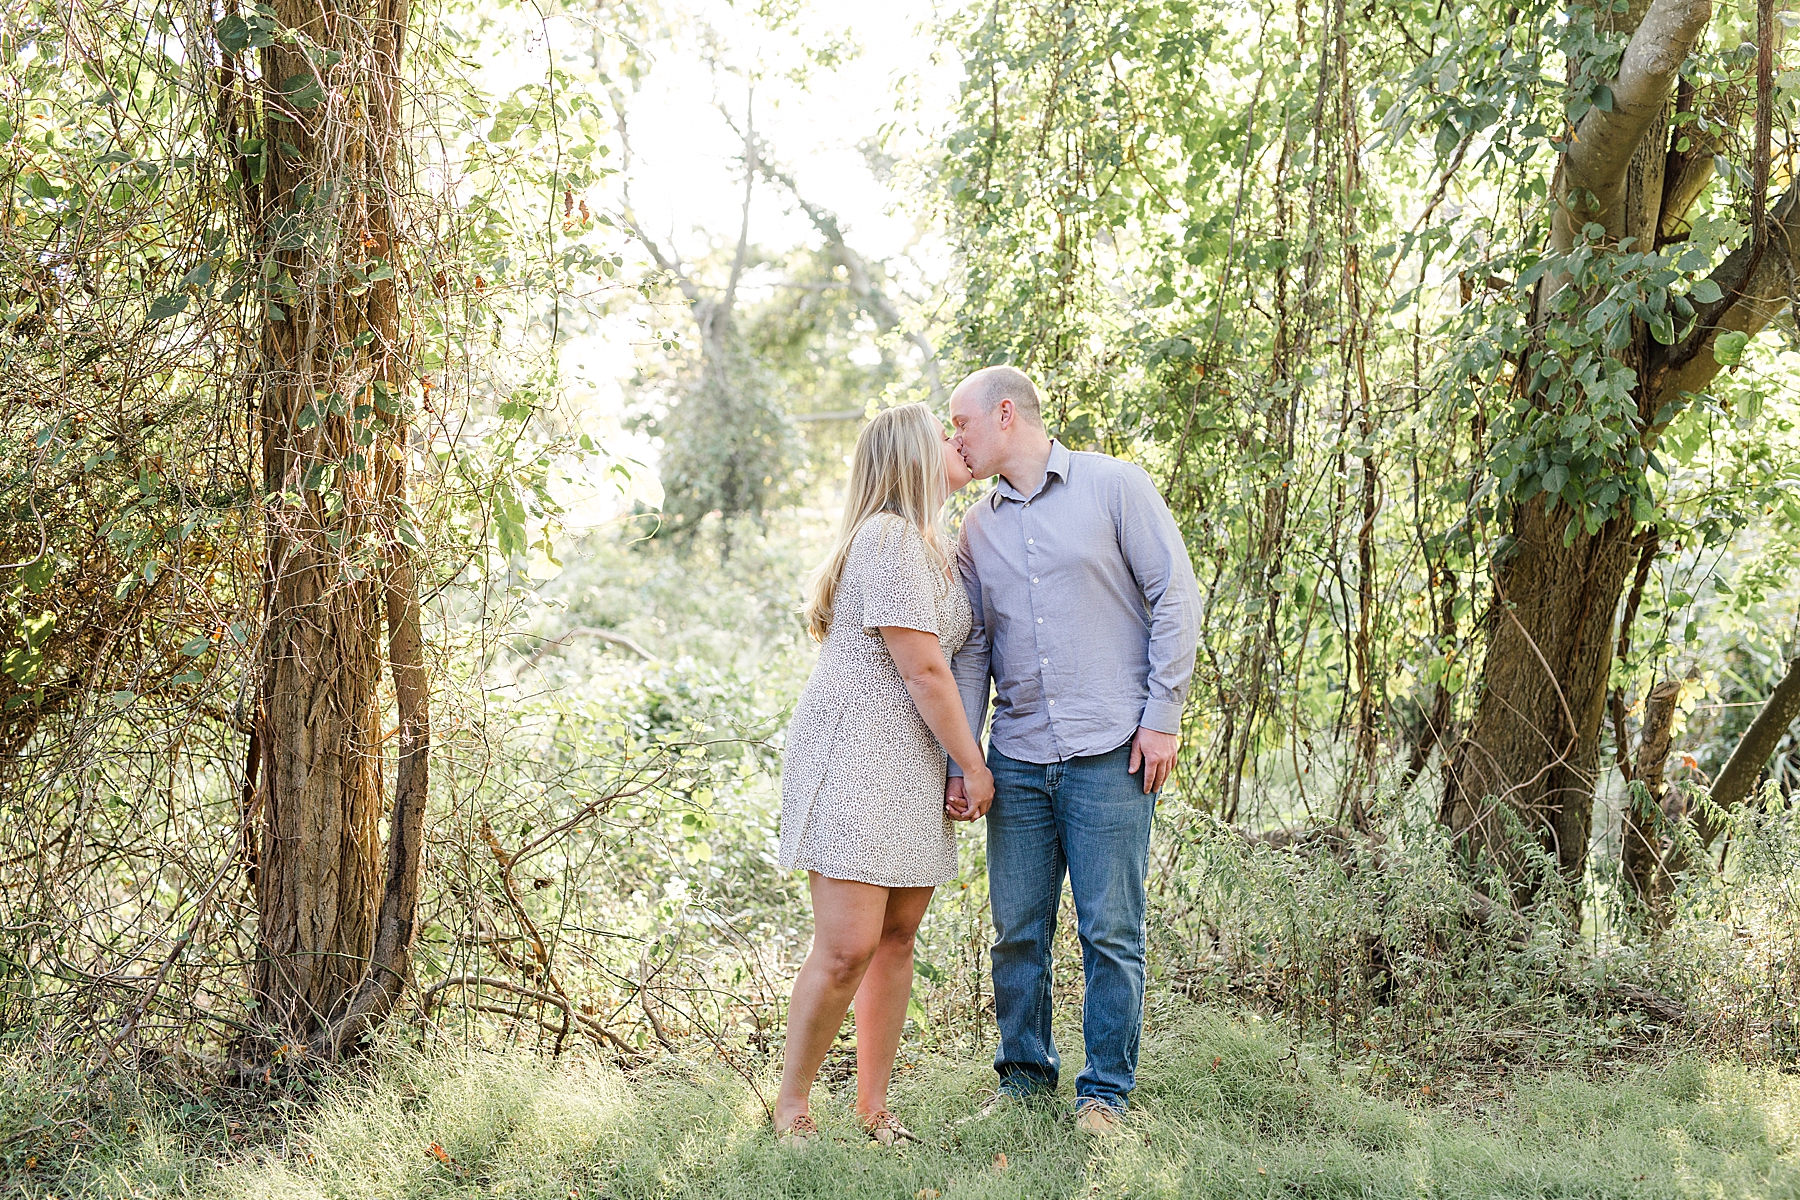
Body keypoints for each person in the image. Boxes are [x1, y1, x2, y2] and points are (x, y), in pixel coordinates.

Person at [946, 366, 1201, 1135]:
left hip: (1111, 753)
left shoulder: (1114, 486)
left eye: (960, 422)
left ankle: (1105, 1096)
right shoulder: (977, 528)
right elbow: (974, 653)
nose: (952, 438)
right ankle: (1023, 1081)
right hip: (1018, 760)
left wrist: (1163, 716)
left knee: (1110, 932)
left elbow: (1176, 596)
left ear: (1003, 414)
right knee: (1016, 930)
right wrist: (966, 760)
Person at [773, 401, 994, 1146]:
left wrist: (949, 765)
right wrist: (973, 764)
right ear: (911, 454)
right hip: (856, 755)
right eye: (944, 434)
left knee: (896, 939)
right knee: (846, 946)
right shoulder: (889, 539)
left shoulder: (930, 545)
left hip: (908, 762)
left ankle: (873, 1109)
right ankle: (792, 1108)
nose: (959, 441)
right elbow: (925, 670)